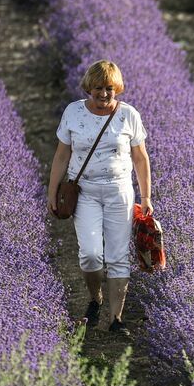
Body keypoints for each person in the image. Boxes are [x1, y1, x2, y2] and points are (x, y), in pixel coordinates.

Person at [47, 60, 152, 336]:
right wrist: (52, 190)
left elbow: (140, 159)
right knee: (91, 254)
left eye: (109, 88)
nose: (104, 94)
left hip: (119, 191)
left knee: (118, 257)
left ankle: (116, 320)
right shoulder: (73, 113)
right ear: (88, 88)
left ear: (116, 88)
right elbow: (61, 154)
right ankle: (96, 298)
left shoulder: (129, 115)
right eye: (98, 88)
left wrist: (146, 196)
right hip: (85, 191)